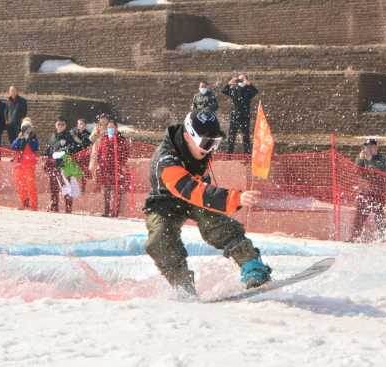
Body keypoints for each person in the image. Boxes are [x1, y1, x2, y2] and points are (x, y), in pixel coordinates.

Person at [143, 108, 272, 299]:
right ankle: (182, 285)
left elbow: (200, 192)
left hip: (197, 193)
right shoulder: (166, 160)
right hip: (165, 201)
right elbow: (191, 190)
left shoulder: (200, 149)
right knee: (159, 240)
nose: (209, 148)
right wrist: (234, 198)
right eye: (205, 142)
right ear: (187, 137)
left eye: (214, 143)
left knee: (213, 221)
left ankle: (252, 265)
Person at [347, 139, 386, 242]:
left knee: (379, 216)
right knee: (359, 216)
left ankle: (382, 237)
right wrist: (360, 159)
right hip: (364, 191)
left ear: (376, 147)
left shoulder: (382, 159)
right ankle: (355, 237)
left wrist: (370, 160)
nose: (369, 149)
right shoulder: (363, 158)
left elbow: (380, 169)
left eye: (371, 146)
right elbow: (356, 170)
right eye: (367, 147)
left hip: (377, 192)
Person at [43, 117, 82, 213]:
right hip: (52, 164)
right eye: (58, 124)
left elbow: (74, 148)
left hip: (64, 165)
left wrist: (63, 152)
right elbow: (50, 148)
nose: (60, 126)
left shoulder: (68, 136)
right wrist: (45, 155)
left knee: (66, 185)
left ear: (66, 126)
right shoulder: (53, 135)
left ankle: (68, 206)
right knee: (53, 186)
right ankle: (54, 205)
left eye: (63, 124)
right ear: (55, 125)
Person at [97, 121, 129, 217]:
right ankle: (106, 210)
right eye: (109, 126)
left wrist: (120, 163)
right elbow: (99, 152)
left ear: (116, 128)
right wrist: (100, 163)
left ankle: (116, 211)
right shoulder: (105, 137)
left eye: (112, 126)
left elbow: (125, 153)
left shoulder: (121, 138)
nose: (110, 128)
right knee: (107, 189)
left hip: (116, 168)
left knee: (117, 190)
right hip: (105, 168)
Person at [222, 74, 258, 154]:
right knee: (232, 135)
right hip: (235, 115)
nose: (241, 81)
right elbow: (224, 91)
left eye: (242, 79)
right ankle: (229, 153)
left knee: (246, 136)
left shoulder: (248, 90)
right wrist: (230, 83)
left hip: (244, 115)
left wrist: (247, 83)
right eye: (240, 79)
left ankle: (247, 153)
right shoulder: (234, 89)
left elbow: (255, 92)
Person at [10, 118, 39, 211]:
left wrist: (29, 139)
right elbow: (13, 147)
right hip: (19, 164)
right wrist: (19, 139)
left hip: (29, 165)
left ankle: (33, 205)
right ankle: (24, 203)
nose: (26, 130)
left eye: (28, 128)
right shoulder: (20, 138)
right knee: (20, 185)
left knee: (31, 185)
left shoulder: (33, 137)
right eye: (24, 128)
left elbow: (35, 148)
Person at [89, 114, 110, 192]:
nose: (103, 120)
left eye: (104, 119)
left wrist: (101, 135)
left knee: (103, 167)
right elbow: (91, 138)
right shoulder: (96, 127)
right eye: (101, 119)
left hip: (105, 149)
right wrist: (95, 134)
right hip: (96, 149)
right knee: (96, 168)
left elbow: (108, 139)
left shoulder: (109, 127)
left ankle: (104, 185)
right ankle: (97, 185)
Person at [72, 119, 93, 193]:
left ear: (85, 125)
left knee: (84, 172)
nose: (81, 125)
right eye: (79, 124)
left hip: (84, 156)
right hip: (76, 155)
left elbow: (88, 145)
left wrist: (80, 142)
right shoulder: (75, 133)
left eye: (82, 124)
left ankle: (83, 188)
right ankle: (76, 187)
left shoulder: (88, 134)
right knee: (76, 171)